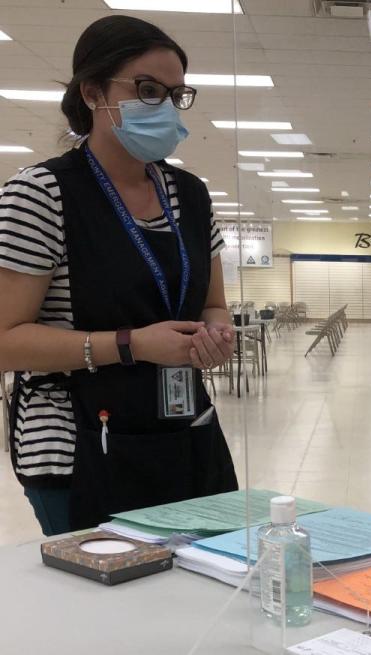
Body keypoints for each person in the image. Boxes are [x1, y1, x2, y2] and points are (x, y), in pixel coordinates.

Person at [0, 15, 238, 536]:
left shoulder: (191, 197)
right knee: (106, 607)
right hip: (77, 448)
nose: (165, 107)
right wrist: (130, 344)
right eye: (147, 89)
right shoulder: (42, 195)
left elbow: (212, 304)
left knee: (199, 596)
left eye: (176, 95)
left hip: (183, 432)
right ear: (92, 92)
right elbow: (5, 341)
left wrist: (217, 333)